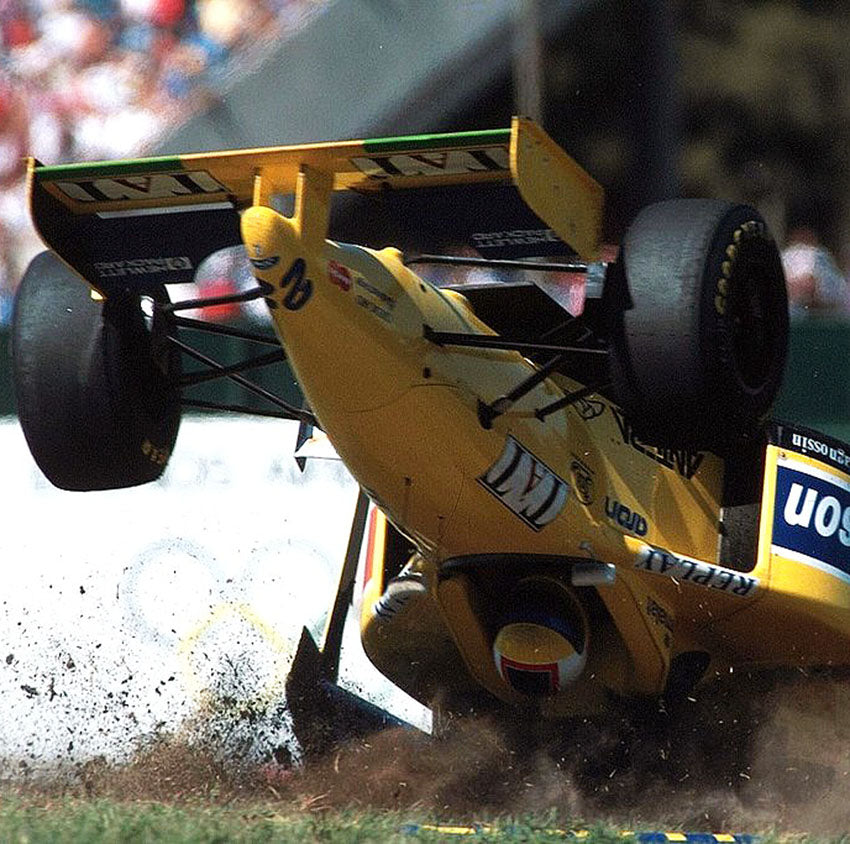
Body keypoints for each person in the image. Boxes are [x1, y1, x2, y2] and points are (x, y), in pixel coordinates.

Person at [781, 224, 848, 318]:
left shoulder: (820, 259)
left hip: (816, 323)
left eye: (805, 236)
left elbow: (837, 294)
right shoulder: (785, 257)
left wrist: (815, 289)